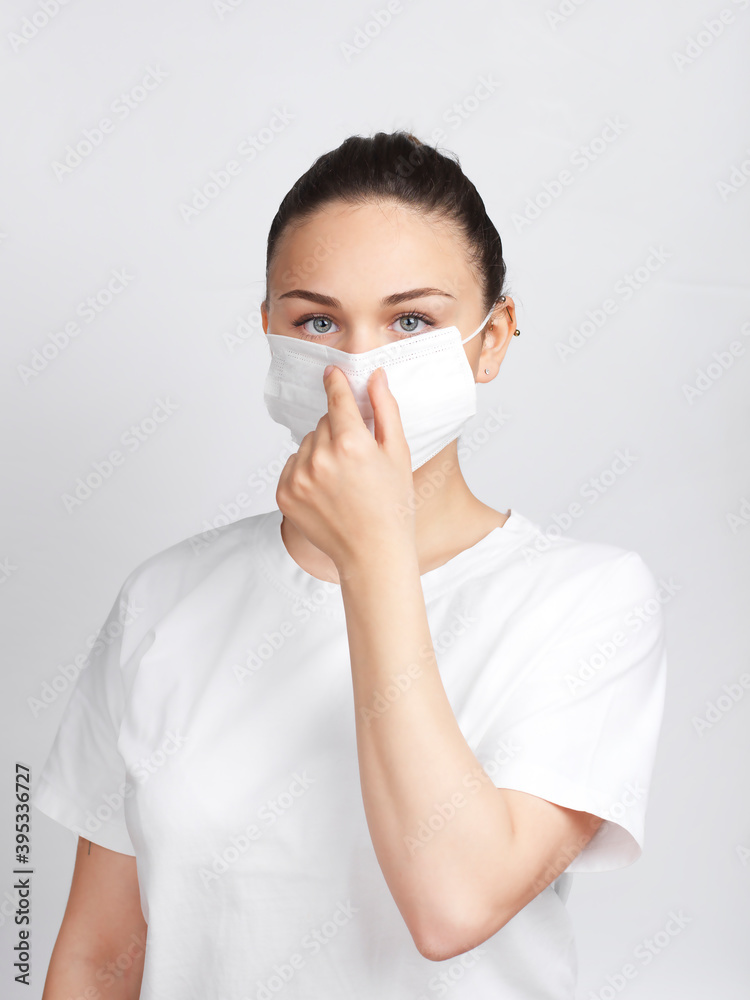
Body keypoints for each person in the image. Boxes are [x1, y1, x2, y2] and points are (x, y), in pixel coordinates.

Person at [33, 130, 668, 1000]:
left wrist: (373, 554)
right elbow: (96, 958)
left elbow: (454, 904)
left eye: (412, 322)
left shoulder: (585, 602)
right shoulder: (164, 601)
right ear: (269, 331)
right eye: (318, 322)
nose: (360, 365)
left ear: (493, 338)